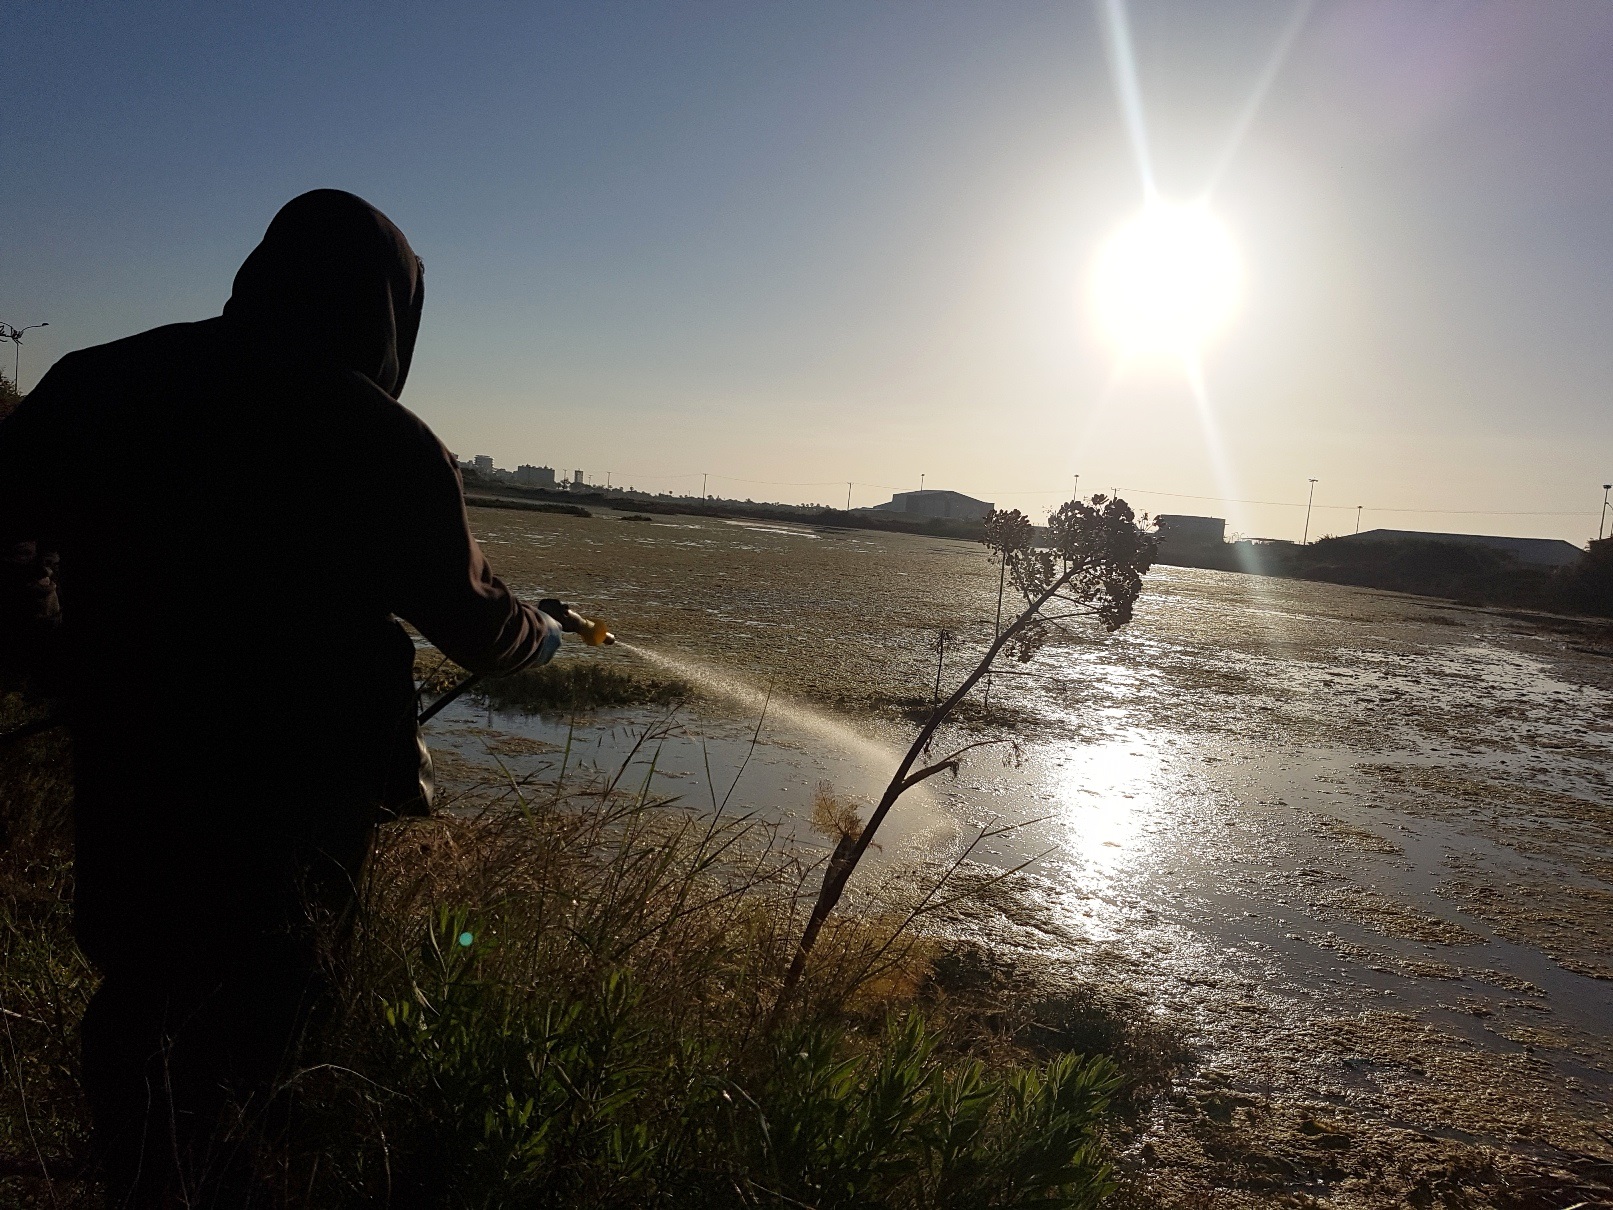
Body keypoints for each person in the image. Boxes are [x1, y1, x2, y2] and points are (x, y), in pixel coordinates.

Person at [0, 190, 562, 1207]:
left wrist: (56, 655)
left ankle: (136, 1177)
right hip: (298, 803)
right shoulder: (385, 442)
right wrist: (547, 634)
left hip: (129, 764)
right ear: (392, 312)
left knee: (136, 992)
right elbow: (477, 625)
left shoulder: (99, 382)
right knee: (263, 1030)